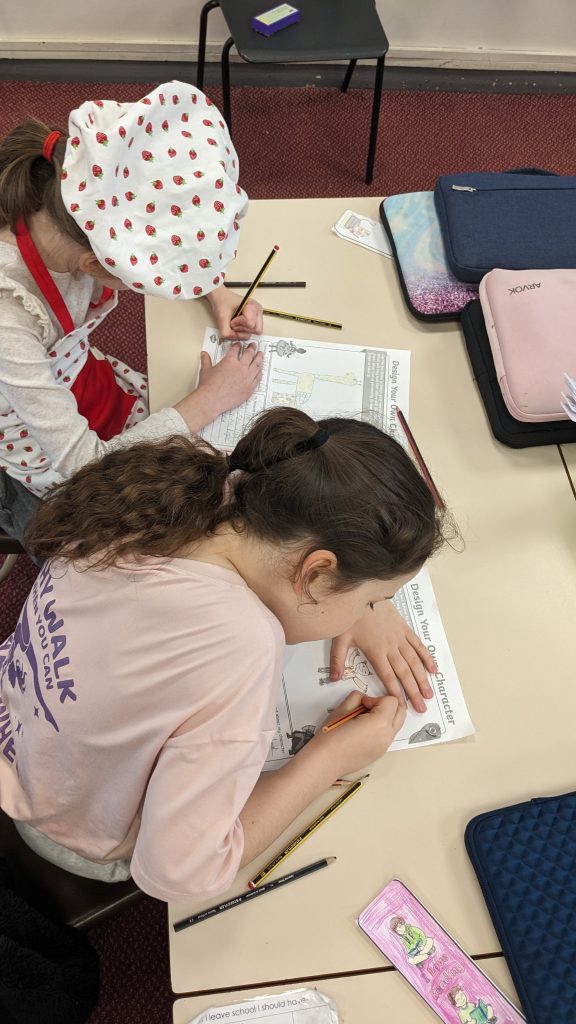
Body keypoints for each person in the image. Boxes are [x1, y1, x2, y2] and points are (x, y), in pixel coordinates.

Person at [0, 407, 451, 902]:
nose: (369, 612)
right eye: (373, 600)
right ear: (316, 573)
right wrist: (329, 758)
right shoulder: (240, 647)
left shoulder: (196, 481)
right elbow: (177, 875)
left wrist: (356, 598)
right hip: (68, 828)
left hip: (17, 732)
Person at [0, 80, 264, 542]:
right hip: (38, 445)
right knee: (145, 541)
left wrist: (217, 293)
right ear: (94, 265)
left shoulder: (67, 203)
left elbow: (160, 218)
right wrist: (209, 399)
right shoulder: (10, 317)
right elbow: (84, 466)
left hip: (78, 383)